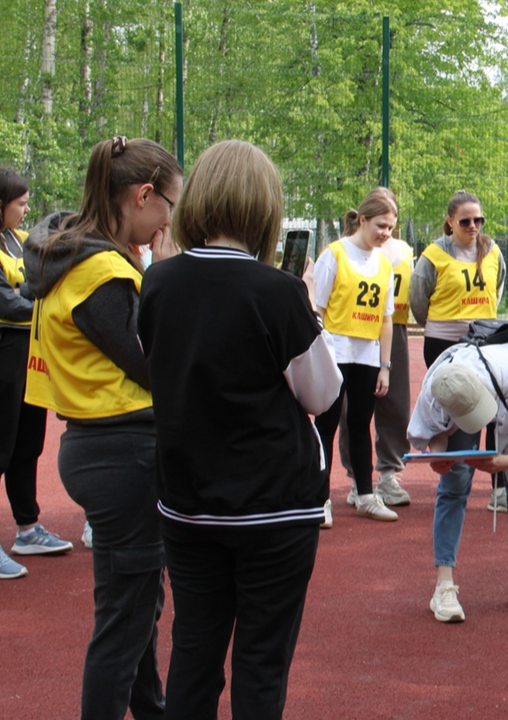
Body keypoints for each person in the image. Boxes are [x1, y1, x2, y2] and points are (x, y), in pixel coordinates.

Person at [138, 139, 341, 720]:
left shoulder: (158, 282)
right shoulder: (277, 292)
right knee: (261, 663)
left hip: (188, 500)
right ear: (264, 210)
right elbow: (322, 394)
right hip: (275, 505)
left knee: (195, 652)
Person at [23, 136, 181, 720]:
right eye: (169, 204)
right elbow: (152, 359)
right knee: (124, 619)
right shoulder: (104, 270)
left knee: (136, 605)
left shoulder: (68, 255)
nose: (170, 219)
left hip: (99, 445)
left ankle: (153, 708)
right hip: (122, 451)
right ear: (143, 196)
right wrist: (162, 275)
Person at [0, 168, 72, 579]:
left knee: (27, 444)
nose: (26, 211)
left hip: (28, 353)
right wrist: (41, 304)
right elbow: (6, 303)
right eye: (20, 204)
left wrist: (35, 298)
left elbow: (39, 285)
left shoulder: (19, 240)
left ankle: (27, 528)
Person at [407, 340, 508, 623]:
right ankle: (443, 587)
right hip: (468, 388)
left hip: (503, 385)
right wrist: (438, 458)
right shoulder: (434, 392)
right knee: (452, 486)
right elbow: (435, 433)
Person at [409, 190, 508, 511]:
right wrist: (444, 325)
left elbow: (498, 288)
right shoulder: (433, 256)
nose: (473, 225)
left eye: (479, 219)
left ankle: (499, 488)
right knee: (453, 412)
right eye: (465, 220)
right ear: (450, 222)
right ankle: (454, 483)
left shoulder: (492, 251)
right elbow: (418, 300)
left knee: (495, 413)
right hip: (444, 344)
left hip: (484, 342)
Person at [313, 187, 399, 522]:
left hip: (366, 355)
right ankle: (319, 500)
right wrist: (318, 357)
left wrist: (385, 366)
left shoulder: (383, 263)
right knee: (326, 425)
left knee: (361, 424)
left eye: (390, 228)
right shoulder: (333, 255)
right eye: (380, 226)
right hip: (334, 351)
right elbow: (317, 310)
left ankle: (365, 494)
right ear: (362, 220)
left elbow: (387, 319)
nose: (385, 233)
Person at [340, 229, 414, 508]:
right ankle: (356, 478)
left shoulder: (405, 249)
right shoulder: (347, 250)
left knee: (395, 403)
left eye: (392, 220)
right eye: (382, 221)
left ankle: (388, 474)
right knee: (353, 408)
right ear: (364, 220)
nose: (387, 227)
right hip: (356, 330)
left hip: (394, 327)